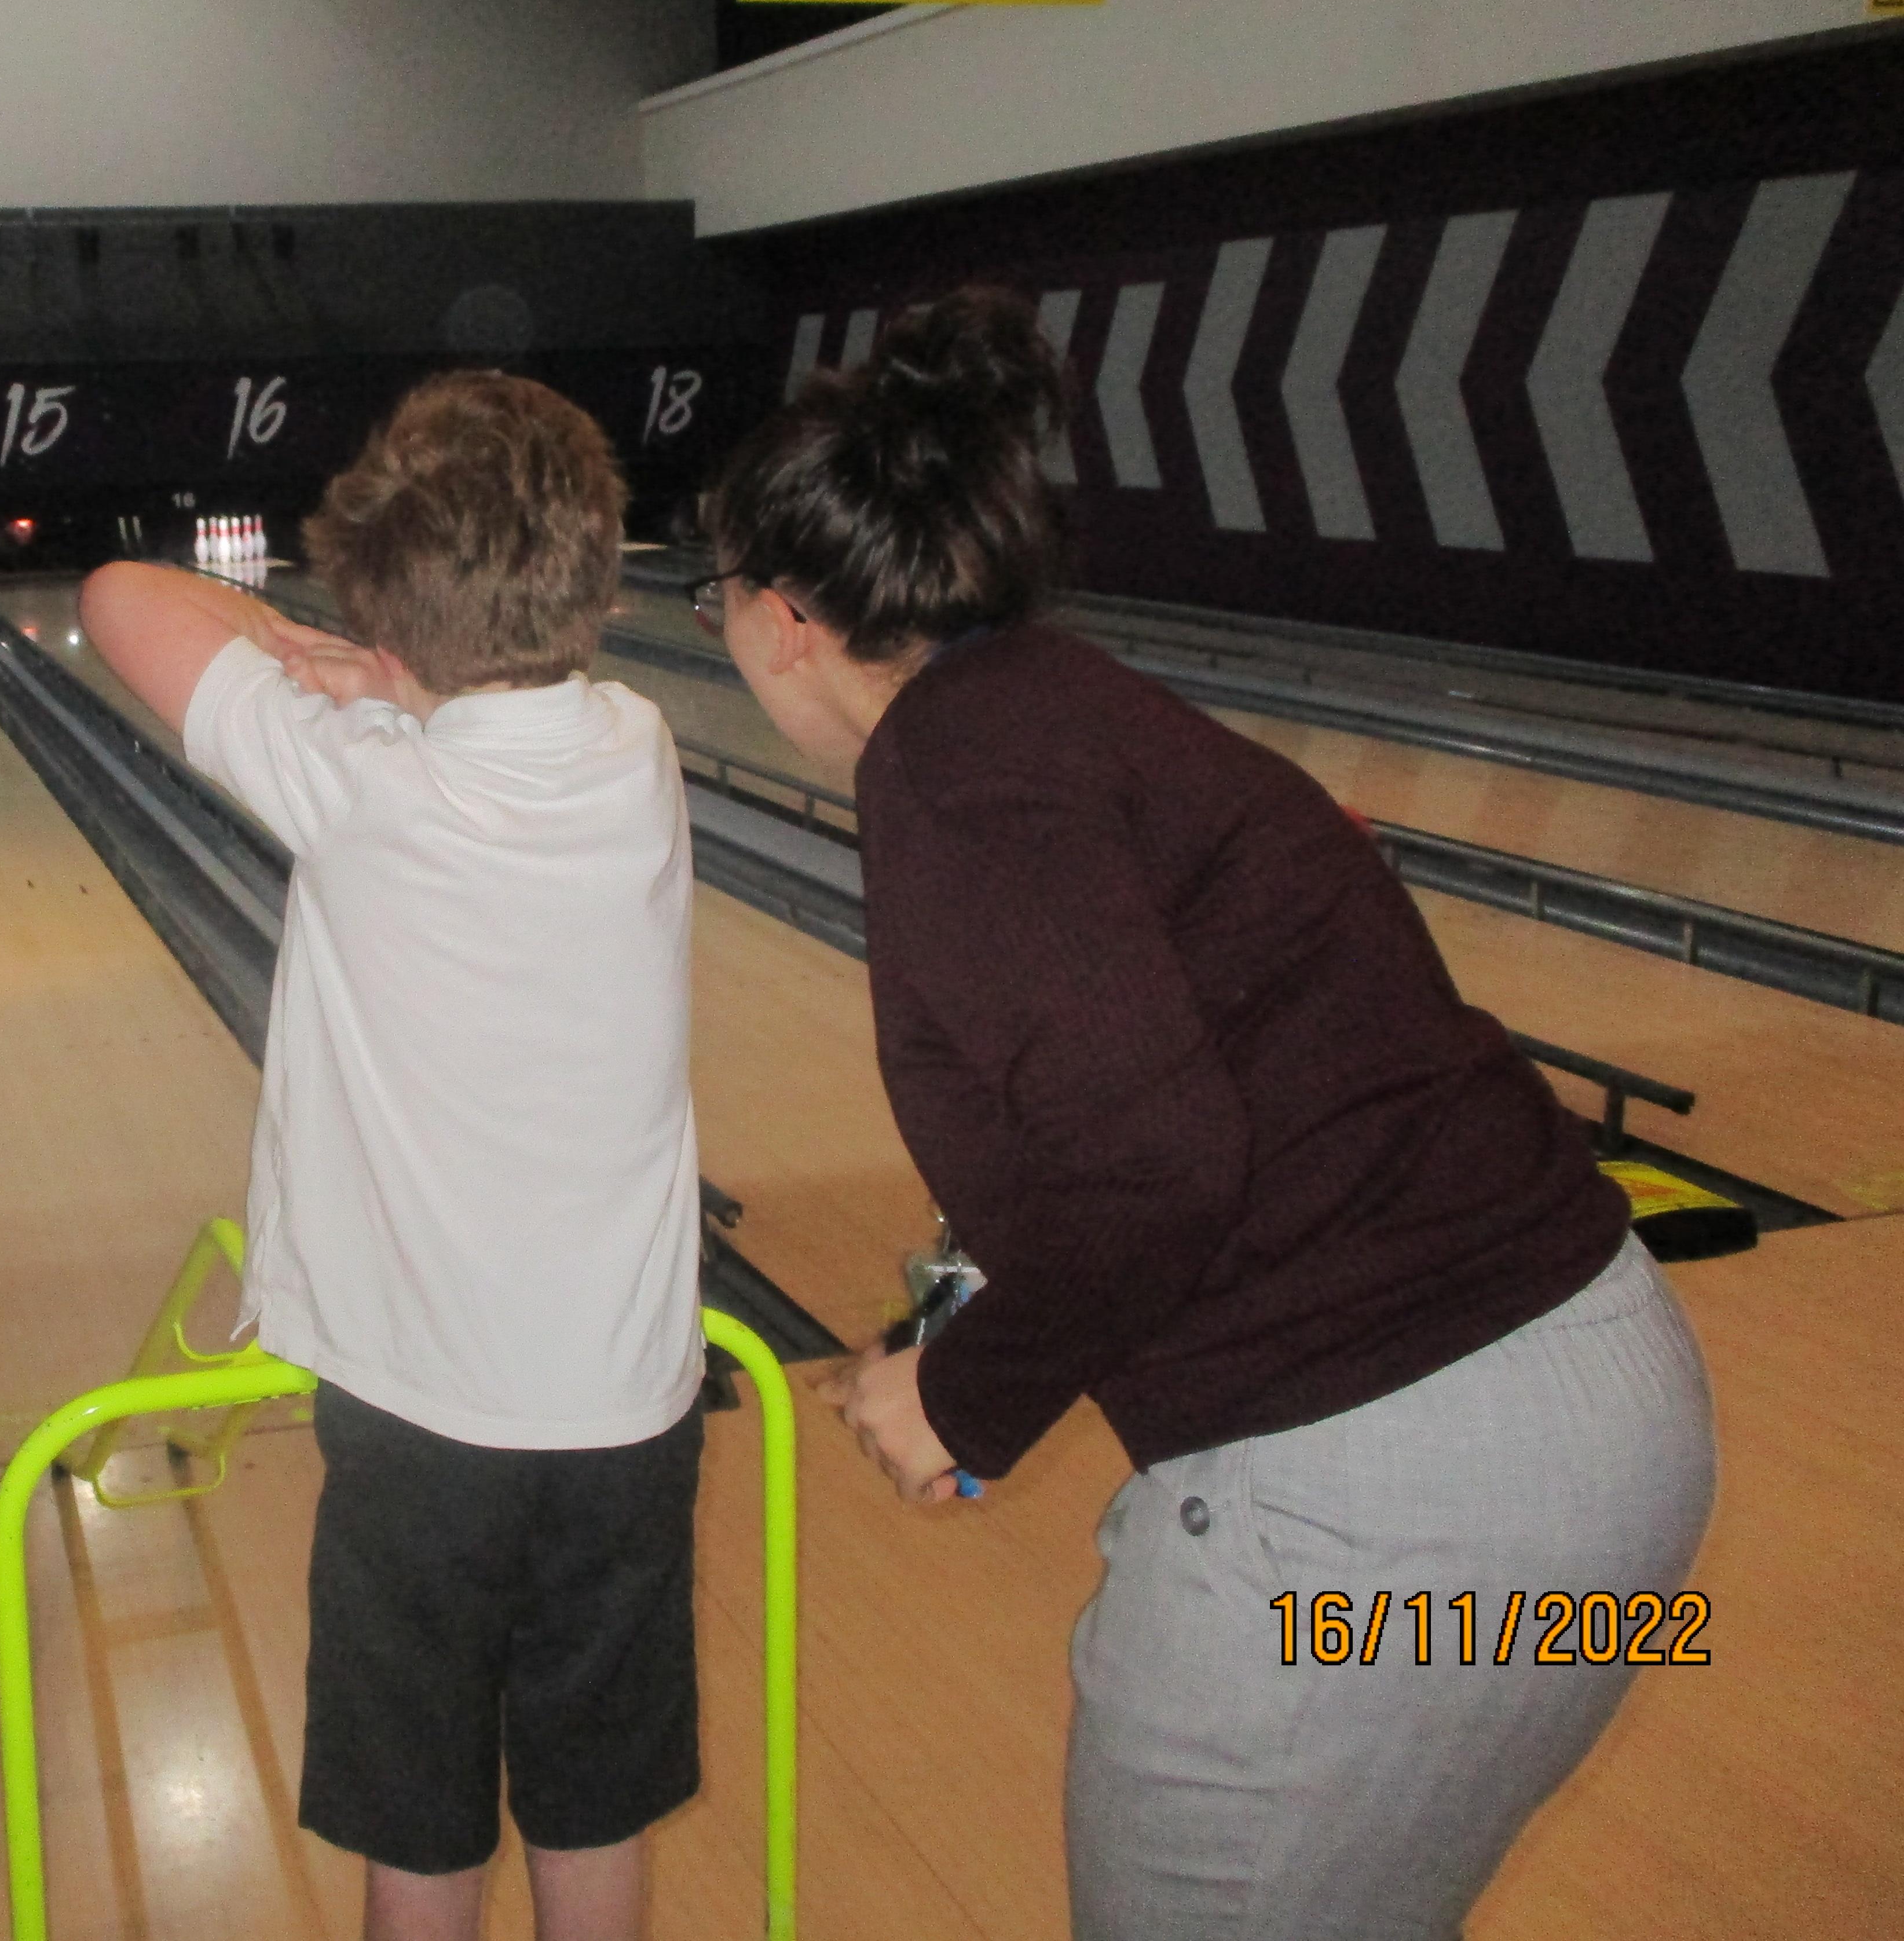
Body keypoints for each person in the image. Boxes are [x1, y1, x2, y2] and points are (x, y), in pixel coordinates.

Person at [696, 287, 1718, 1941]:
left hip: (1387, 1522)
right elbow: (1147, 1093)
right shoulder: (1067, 706)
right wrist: (951, 1322)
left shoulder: (953, 776)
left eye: (715, 596)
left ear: (786, 617)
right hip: (1593, 1486)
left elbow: (1158, 1160)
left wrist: (965, 1396)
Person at [79, 372, 704, 1941]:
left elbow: (119, 596)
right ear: (603, 587)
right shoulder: (639, 748)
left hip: (423, 1429)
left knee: (419, 1821)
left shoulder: (358, 781)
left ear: (383, 606)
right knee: (597, 1797)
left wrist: (322, 656)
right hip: (629, 1410)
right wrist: (395, 674)